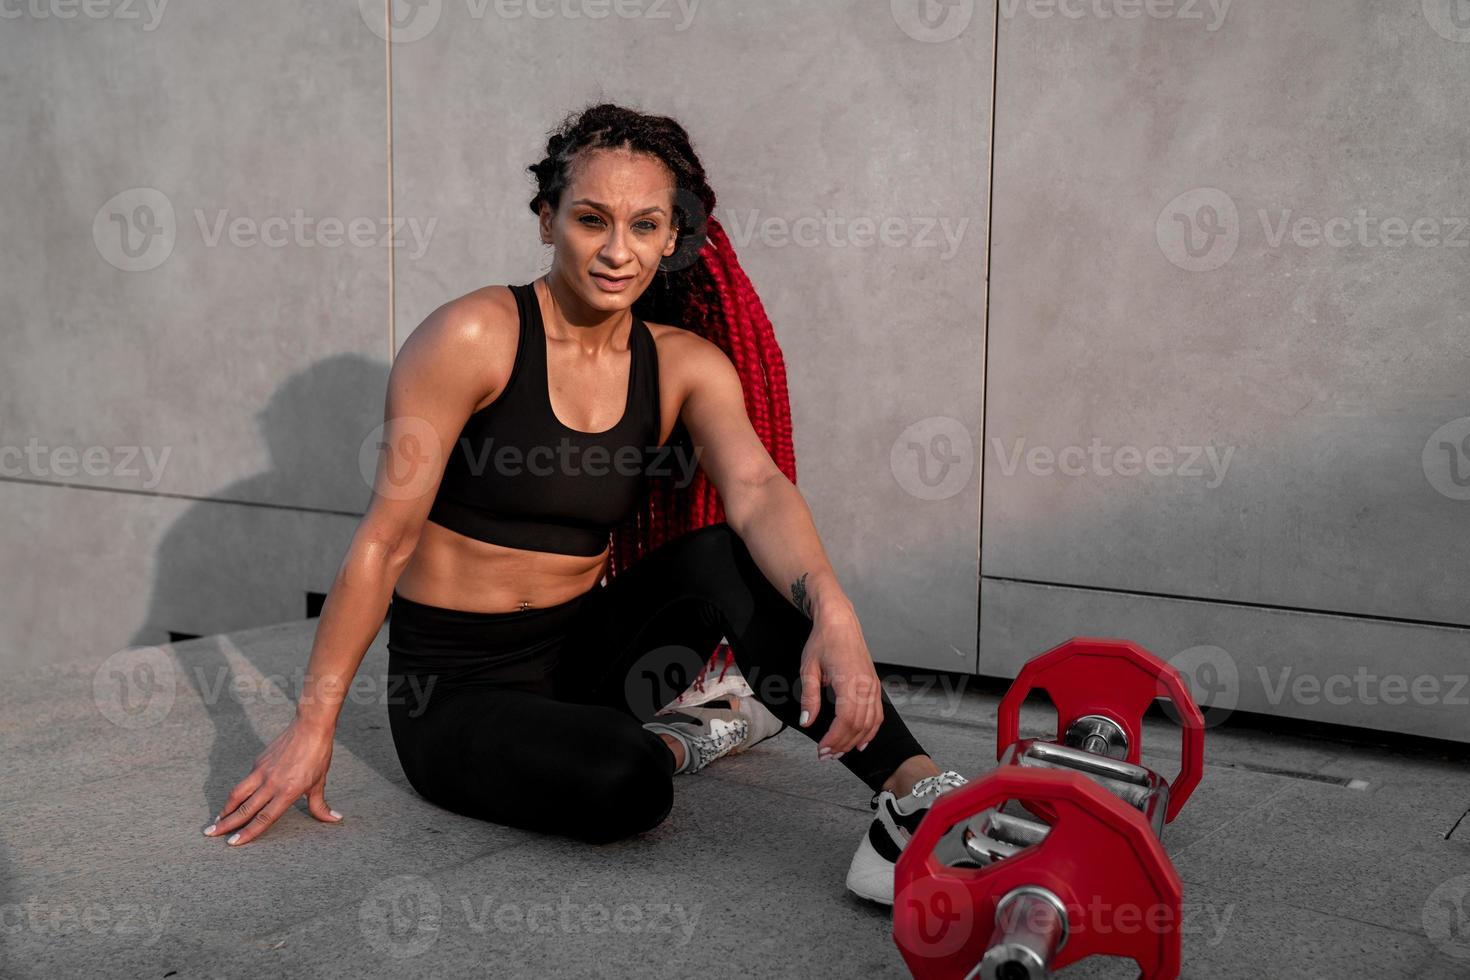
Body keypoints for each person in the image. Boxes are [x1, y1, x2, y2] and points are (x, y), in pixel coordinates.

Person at [202, 102, 968, 906]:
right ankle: (683, 739)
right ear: (546, 221)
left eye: (644, 226)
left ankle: (917, 792)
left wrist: (835, 609)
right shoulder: (473, 336)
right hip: (458, 692)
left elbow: (758, 488)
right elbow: (384, 543)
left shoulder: (683, 364)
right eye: (591, 219)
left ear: (672, 237)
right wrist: (312, 725)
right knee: (625, 783)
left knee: (721, 555)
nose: (616, 250)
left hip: (586, 656)